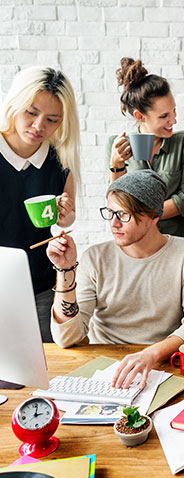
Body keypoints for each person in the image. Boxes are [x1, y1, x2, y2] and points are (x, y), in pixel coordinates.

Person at [47, 170, 184, 388]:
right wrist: (64, 270)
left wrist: (150, 354)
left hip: (163, 364)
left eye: (123, 215)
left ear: (153, 216)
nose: (113, 223)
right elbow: (67, 338)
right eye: (110, 212)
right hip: (106, 369)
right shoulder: (95, 257)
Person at [0, 66, 80, 343]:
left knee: (46, 368)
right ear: (14, 104)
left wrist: (66, 214)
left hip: (41, 285)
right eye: (31, 113)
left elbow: (65, 221)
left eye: (52, 120)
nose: (38, 126)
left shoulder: (59, 159)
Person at [105, 57, 184, 238]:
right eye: (164, 116)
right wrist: (117, 165)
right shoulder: (117, 145)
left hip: (173, 241)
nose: (173, 120)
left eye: (174, 111)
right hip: (135, 243)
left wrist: (139, 213)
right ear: (140, 116)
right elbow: (118, 204)